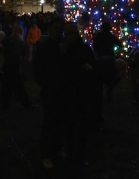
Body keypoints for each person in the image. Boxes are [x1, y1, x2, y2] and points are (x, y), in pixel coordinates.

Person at [62, 21, 96, 166]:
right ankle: (70, 153)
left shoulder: (84, 49)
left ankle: (80, 155)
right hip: (69, 92)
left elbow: (93, 66)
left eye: (73, 33)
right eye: (68, 33)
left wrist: (89, 68)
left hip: (82, 92)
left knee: (82, 126)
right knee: (70, 125)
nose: (71, 36)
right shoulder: (63, 49)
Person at [33, 16, 65, 170]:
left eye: (60, 28)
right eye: (56, 28)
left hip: (63, 90)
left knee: (60, 122)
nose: (58, 31)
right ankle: (46, 154)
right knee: (49, 123)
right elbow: (37, 69)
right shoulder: (44, 47)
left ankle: (57, 149)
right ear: (51, 29)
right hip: (50, 90)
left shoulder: (64, 46)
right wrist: (45, 84)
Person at [1, 23, 33, 110]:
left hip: (7, 66)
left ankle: (6, 103)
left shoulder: (8, 40)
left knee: (7, 86)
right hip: (15, 66)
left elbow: (1, 46)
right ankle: (25, 103)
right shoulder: (20, 42)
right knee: (18, 86)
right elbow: (21, 54)